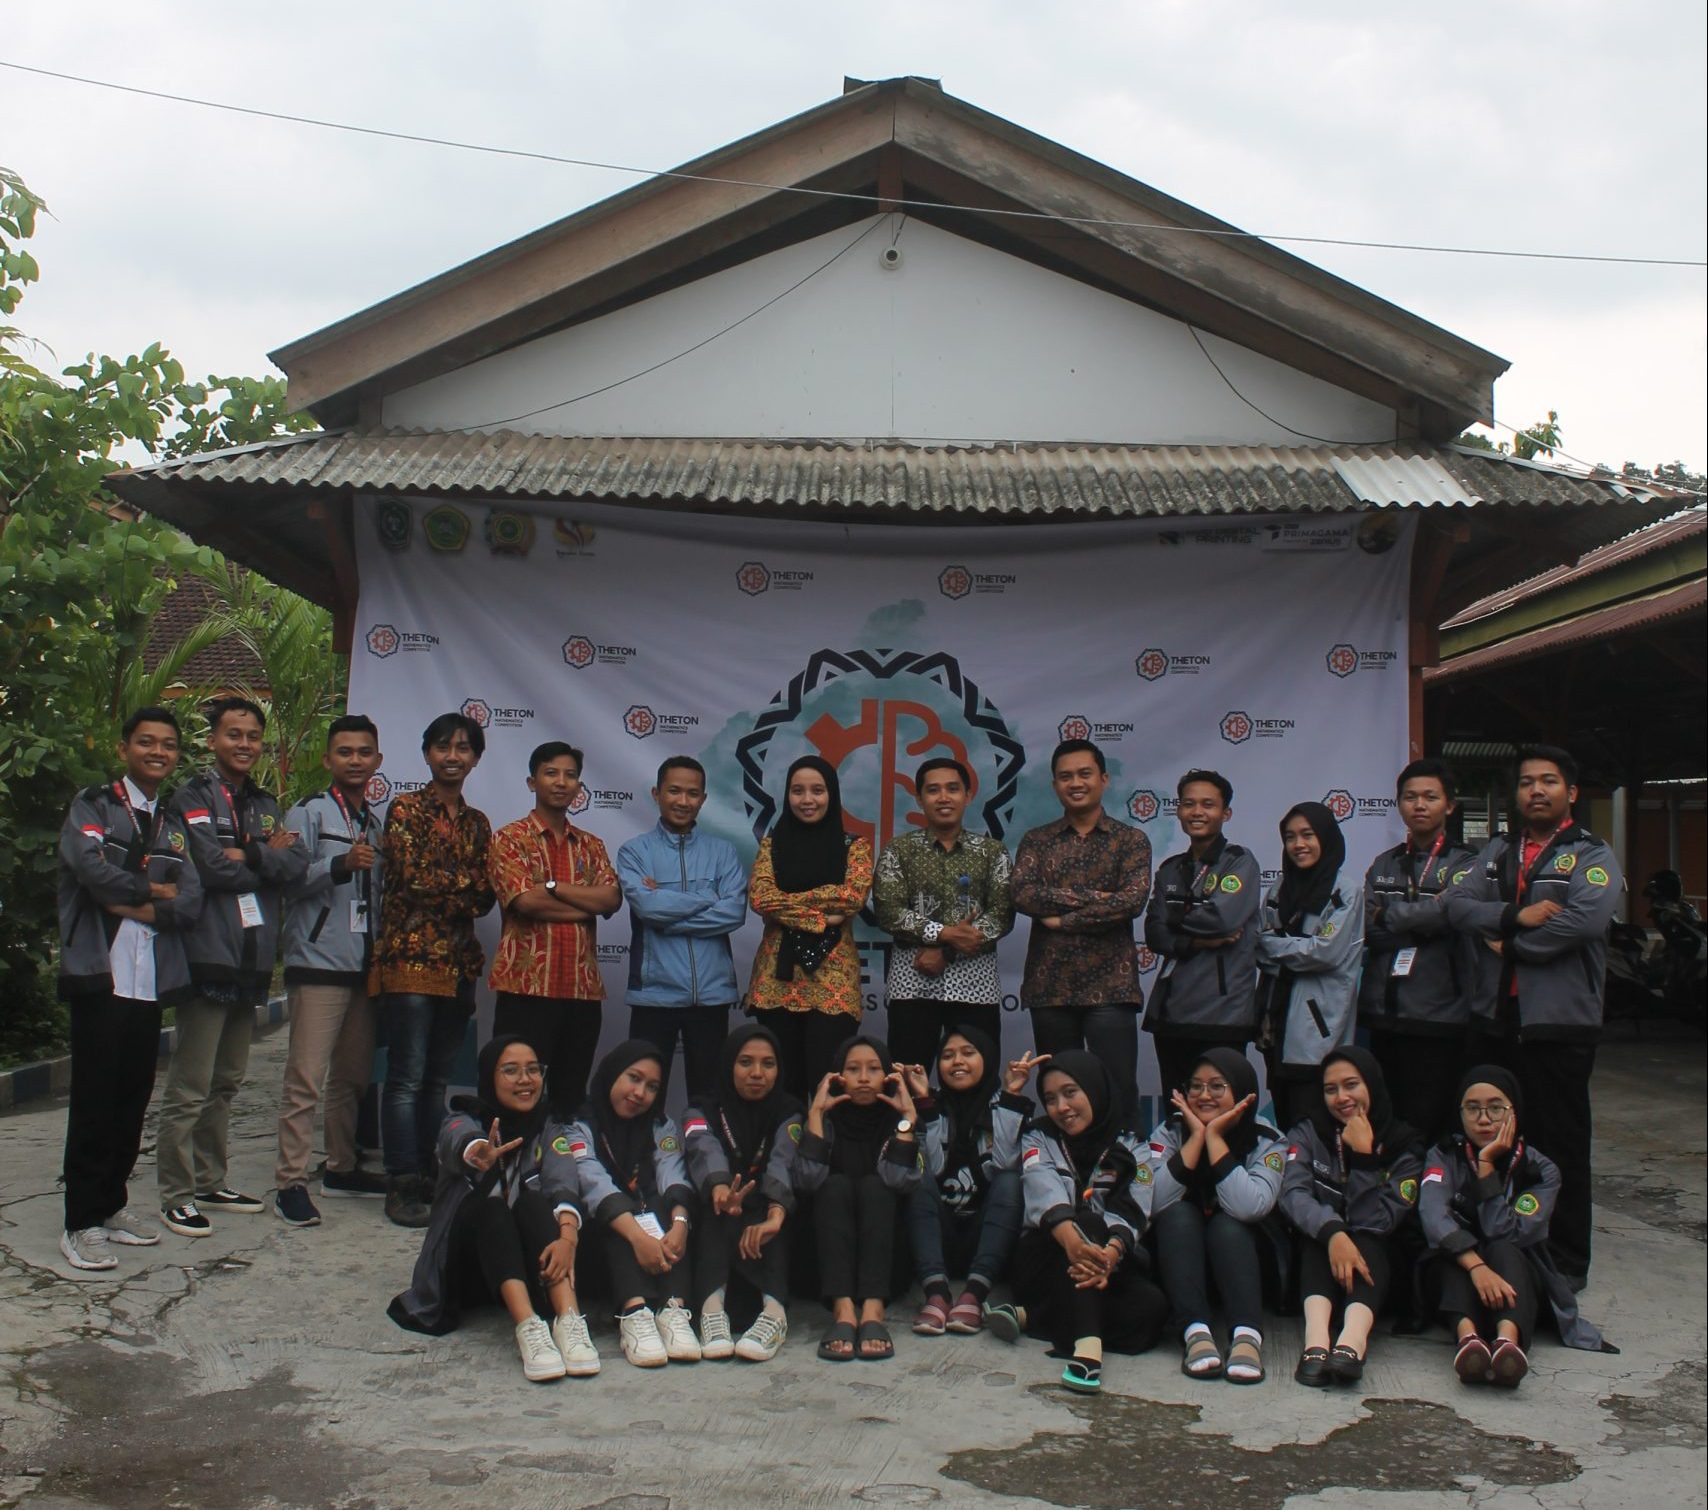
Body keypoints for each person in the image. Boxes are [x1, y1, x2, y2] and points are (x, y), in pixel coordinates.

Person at [1436, 745, 1621, 1288]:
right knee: (1487, 1139)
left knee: (1559, 1143)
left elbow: (1582, 924)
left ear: (1571, 792)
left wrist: (1512, 946)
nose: (1536, 790)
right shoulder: (1495, 851)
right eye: (1526, 783)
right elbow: (1457, 906)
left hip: (1558, 1024)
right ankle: (1495, 1246)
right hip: (1494, 1018)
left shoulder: (1591, 853)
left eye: (1548, 781)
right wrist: (1514, 913)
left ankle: (1564, 1261)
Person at [55, 707, 204, 1270]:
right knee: (94, 1101)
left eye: (167, 744)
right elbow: (89, 869)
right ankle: (80, 1220)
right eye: (147, 742)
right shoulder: (93, 804)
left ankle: (112, 1205)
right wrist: (153, 891)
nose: (158, 752)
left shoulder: (171, 820)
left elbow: (189, 897)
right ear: (125, 749)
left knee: (131, 1098)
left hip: (147, 980)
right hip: (101, 973)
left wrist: (136, 903)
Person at [158, 697, 307, 1237]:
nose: (244, 744)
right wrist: (259, 854)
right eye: (233, 734)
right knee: (191, 1084)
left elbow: (294, 865)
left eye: (252, 736)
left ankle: (209, 1179)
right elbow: (208, 866)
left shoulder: (266, 803)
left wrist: (253, 853)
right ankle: (175, 1193)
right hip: (208, 953)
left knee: (226, 1082)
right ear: (213, 740)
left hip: (252, 958)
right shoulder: (191, 796)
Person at [387, 1035, 600, 1381]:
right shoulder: (463, 1118)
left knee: (534, 1203)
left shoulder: (548, 1127)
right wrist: (477, 1151)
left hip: (526, 1264)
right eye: (511, 1071)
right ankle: (529, 1329)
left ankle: (570, 1321)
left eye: (533, 1070)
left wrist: (568, 1238)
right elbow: (457, 1140)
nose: (525, 1080)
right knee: (493, 1209)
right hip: (467, 1268)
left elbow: (564, 1179)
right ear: (489, 1077)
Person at [373, 712, 496, 1229]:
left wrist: (461, 886)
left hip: (457, 963)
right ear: (426, 754)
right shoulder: (404, 808)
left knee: (437, 1078)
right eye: (443, 746)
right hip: (409, 958)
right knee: (405, 1076)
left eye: (464, 748)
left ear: (475, 758)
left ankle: (430, 1172)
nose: (453, 755)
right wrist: (462, 886)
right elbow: (415, 877)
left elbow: (488, 893)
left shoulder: (478, 823)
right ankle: (400, 1180)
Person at [989, 1051, 1168, 1392]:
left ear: (1094, 1088)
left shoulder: (1131, 1143)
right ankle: (1088, 1349)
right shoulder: (1039, 1136)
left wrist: (1111, 1254)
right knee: (1091, 1222)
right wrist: (1075, 1243)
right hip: (1044, 1257)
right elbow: (1044, 1190)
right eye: (1051, 1099)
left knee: (1151, 1309)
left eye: (1070, 1093)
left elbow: (1135, 1208)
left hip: (1105, 1264)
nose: (1061, 1108)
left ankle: (1036, 1316)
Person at [1420, 1065, 1610, 1387]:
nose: (1483, 1119)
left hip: (1514, 1271)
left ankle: (1508, 1345)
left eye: (1496, 1108)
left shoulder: (1541, 1169)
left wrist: (1486, 1169)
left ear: (1515, 1111)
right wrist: (1476, 1266)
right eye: (1472, 1108)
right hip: (1460, 1264)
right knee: (1450, 1258)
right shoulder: (1442, 1155)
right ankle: (1469, 1343)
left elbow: (1505, 1232)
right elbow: (1433, 1215)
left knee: (1505, 1249)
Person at [273, 715, 388, 1228]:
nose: (355, 760)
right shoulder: (309, 812)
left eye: (364, 752)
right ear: (328, 760)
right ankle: (290, 1183)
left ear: (377, 762)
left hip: (361, 969)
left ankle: (341, 1166)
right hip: (316, 964)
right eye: (345, 752)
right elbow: (287, 879)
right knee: (305, 1081)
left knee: (352, 1079)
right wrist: (338, 866)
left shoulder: (376, 822)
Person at [1011, 740, 1152, 1126]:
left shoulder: (1130, 841)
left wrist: (1062, 919)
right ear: (1055, 785)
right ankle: (1062, 1174)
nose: (1076, 783)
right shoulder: (1037, 841)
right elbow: (1024, 894)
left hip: (1112, 987)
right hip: (1050, 988)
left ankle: (1125, 1175)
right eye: (1066, 776)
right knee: (1059, 1091)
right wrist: (1095, 900)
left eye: (1085, 774)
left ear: (1103, 779)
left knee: (1117, 1087)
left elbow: (1130, 902)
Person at [488, 742, 621, 1120]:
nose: (561, 782)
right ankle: (514, 1174)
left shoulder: (592, 845)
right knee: (516, 1094)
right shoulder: (509, 838)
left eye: (570, 775)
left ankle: (565, 1173)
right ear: (532, 781)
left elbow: (610, 900)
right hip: (526, 987)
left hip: (581, 989)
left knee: (570, 1095)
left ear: (579, 785)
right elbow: (523, 903)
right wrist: (582, 905)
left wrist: (551, 887)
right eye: (551, 773)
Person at [1279, 1047, 1424, 1387]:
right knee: (1318, 1236)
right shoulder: (1309, 1131)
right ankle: (1316, 1342)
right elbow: (1293, 1195)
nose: (1342, 1097)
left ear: (1371, 1084)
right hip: (1322, 1260)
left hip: (1381, 1268)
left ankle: (1352, 1343)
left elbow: (1375, 1222)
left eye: (1351, 1085)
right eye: (1331, 1089)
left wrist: (1363, 1158)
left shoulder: (1406, 1146)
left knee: (1367, 1240)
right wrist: (1333, 1233)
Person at [1142, 1048, 1284, 1384]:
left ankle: (1247, 1336)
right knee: (1178, 1215)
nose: (1204, 1096)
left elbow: (1250, 1207)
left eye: (1217, 1087)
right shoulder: (1170, 1132)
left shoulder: (1268, 1139)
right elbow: (1151, 1202)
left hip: (1246, 1263)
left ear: (1244, 1094)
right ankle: (1196, 1333)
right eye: (1196, 1087)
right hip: (1182, 1268)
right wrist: (1195, 1139)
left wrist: (1215, 1139)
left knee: (1228, 1225)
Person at [617, 757, 749, 1104]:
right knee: (642, 1098)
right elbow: (647, 908)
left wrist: (666, 909)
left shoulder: (722, 852)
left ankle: (706, 1159)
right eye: (674, 791)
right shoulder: (635, 851)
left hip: (712, 997)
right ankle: (643, 1159)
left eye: (692, 793)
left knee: (709, 1100)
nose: (683, 801)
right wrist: (707, 897)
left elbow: (734, 913)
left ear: (703, 799)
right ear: (656, 794)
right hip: (654, 995)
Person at [1359, 759, 1478, 1140]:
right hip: (1383, 1011)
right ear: (1399, 804)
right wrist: (1424, 922)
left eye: (1430, 796)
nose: (1419, 805)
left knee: (1430, 1123)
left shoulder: (1467, 863)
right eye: (1410, 797)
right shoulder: (1385, 863)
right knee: (1386, 1122)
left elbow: (1453, 914)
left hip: (1440, 1015)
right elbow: (1366, 925)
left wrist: (1389, 917)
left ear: (1450, 805)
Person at [565, 1040, 703, 1368]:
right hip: (600, 1244)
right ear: (613, 1074)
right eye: (633, 1078)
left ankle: (673, 1310)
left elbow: (673, 1171)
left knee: (665, 1204)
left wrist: (680, 1225)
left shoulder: (660, 1125)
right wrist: (639, 1238)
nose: (640, 1093)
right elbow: (592, 1182)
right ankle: (635, 1312)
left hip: (652, 1229)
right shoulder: (577, 1123)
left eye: (652, 1087)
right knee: (617, 1210)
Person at [744, 756, 874, 1101]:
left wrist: (788, 904)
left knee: (828, 1082)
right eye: (797, 791)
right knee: (780, 1086)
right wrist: (820, 917)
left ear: (831, 795)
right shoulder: (773, 845)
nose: (807, 799)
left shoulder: (854, 847)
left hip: (832, 980)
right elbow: (761, 897)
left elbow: (851, 897)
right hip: (776, 980)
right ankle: (781, 1152)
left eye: (817, 790)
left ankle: (822, 1151)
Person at [872, 758, 1014, 1070]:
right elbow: (888, 911)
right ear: (920, 799)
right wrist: (944, 933)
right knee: (908, 1082)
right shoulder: (899, 850)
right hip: (913, 982)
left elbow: (1002, 914)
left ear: (968, 795)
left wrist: (946, 951)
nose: (943, 797)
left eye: (952, 789)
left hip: (975, 986)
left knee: (977, 1083)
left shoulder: (992, 852)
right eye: (933, 790)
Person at [794, 1034, 922, 1361]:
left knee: (876, 1187)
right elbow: (807, 1181)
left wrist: (907, 1117)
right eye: (853, 1069)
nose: (863, 1078)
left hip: (884, 1258)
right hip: (827, 1259)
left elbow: (898, 1181)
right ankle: (844, 1312)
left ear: (888, 1077)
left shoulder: (897, 1121)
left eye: (873, 1069)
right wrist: (815, 1116)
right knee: (834, 1185)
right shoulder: (825, 1121)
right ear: (837, 1077)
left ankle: (873, 1312)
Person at [902, 1028, 1036, 1337]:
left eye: (968, 1053)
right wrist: (925, 1104)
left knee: (1009, 1182)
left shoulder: (1006, 1104)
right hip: (942, 1236)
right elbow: (934, 1169)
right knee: (918, 1178)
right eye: (947, 1056)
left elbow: (1004, 1162)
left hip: (987, 1239)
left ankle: (974, 1294)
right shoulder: (929, 1103)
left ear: (986, 1059)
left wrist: (1011, 1096)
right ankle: (936, 1292)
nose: (957, 1062)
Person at [681, 1025, 804, 1361]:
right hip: (723, 1207)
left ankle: (774, 1314)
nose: (757, 1074)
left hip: (766, 1206)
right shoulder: (701, 1108)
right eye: (745, 1062)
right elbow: (702, 1146)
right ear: (728, 1065)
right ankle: (711, 1311)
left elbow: (783, 1160)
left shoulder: (789, 1109)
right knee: (715, 1208)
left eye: (768, 1064)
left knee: (773, 1212)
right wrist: (720, 1187)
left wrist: (776, 1215)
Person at [1142, 770, 1263, 1099]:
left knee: (1224, 1110)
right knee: (1178, 1109)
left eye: (1208, 805)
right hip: (1171, 1011)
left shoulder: (1240, 863)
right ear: (1178, 810)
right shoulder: (1170, 868)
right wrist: (1196, 941)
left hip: (1222, 1013)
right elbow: (1153, 933)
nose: (1197, 812)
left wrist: (1174, 920)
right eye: (1188, 804)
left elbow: (1223, 918)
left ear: (1226, 813)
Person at [1255, 802, 1364, 1133]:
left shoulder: (1345, 891)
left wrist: (1279, 948)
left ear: (1327, 838)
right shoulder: (1279, 889)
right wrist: (1294, 950)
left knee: (1315, 1126)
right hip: (1274, 1022)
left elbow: (1325, 953)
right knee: (1286, 1118)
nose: (1298, 844)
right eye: (1290, 837)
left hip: (1318, 1029)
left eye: (1307, 835)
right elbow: (1258, 947)